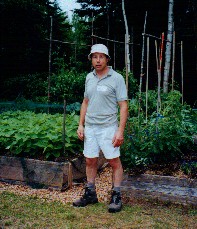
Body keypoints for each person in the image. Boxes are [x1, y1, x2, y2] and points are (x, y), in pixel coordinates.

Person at [73, 44, 128, 213]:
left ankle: (116, 195)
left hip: (108, 128)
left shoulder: (116, 78)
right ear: (91, 59)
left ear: (107, 59)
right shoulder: (89, 77)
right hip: (90, 127)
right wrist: (81, 124)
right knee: (90, 160)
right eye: (94, 56)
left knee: (113, 162)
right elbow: (85, 102)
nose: (98, 60)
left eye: (101, 56)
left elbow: (124, 106)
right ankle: (90, 194)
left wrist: (120, 131)